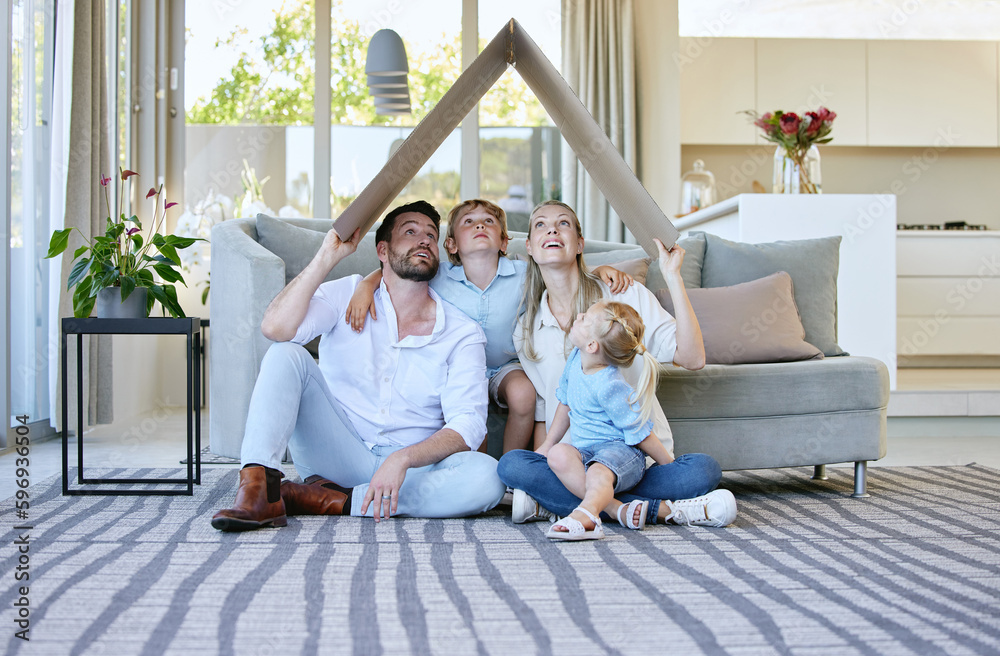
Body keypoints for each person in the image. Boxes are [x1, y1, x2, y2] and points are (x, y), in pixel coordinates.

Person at [212, 200, 506, 532]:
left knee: (487, 478)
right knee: (285, 353)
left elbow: (469, 424)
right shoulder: (347, 293)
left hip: (410, 471)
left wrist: (404, 458)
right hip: (336, 453)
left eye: (430, 235)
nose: (424, 239)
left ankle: (333, 501)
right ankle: (259, 492)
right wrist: (328, 255)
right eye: (410, 231)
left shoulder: (462, 332)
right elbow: (276, 328)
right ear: (383, 250)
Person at [497, 200, 737, 529]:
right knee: (512, 466)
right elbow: (548, 408)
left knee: (703, 470)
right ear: (529, 247)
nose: (552, 229)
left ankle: (562, 504)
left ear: (580, 244)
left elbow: (692, 358)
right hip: (576, 462)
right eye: (540, 224)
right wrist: (542, 455)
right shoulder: (526, 331)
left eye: (563, 223)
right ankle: (642, 510)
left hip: (639, 460)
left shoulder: (623, 295)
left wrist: (673, 277)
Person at [345, 199, 633, 453]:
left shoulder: (524, 273)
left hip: (505, 366)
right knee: (467, 405)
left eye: (489, 222)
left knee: (523, 394)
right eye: (468, 222)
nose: (480, 226)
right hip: (455, 366)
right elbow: (396, 270)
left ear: (504, 242)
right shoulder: (440, 275)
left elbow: (561, 268)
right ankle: (476, 466)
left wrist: (599, 270)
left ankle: (511, 469)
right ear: (452, 244)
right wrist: (365, 287)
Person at [537, 301, 683, 540]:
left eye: (585, 319)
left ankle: (587, 516)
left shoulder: (609, 385)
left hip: (620, 453)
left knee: (598, 471)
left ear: (592, 345)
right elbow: (566, 402)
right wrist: (548, 444)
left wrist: (669, 465)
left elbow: (639, 431)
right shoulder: (576, 359)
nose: (580, 314)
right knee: (557, 455)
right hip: (586, 452)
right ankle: (617, 509)